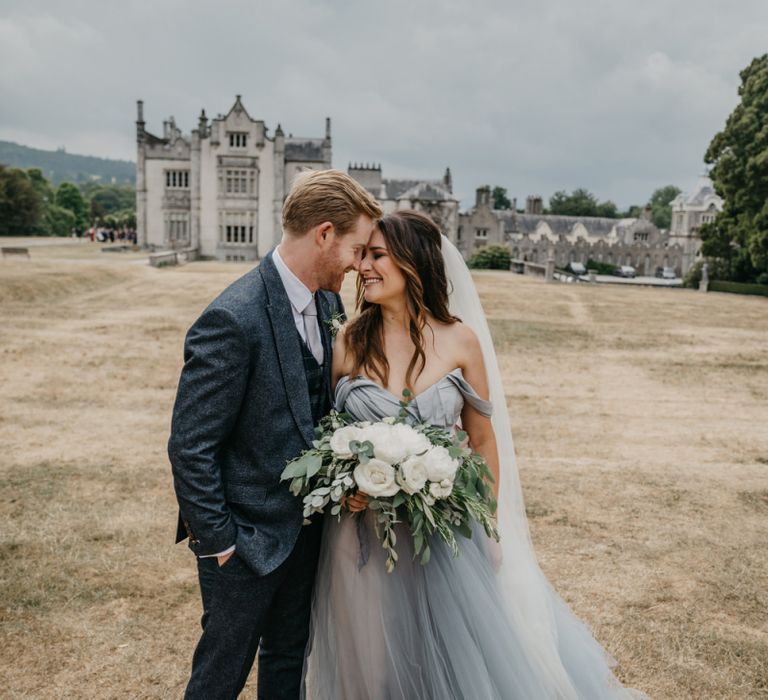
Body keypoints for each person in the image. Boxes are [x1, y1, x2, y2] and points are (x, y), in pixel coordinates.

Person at [304, 210, 644, 699]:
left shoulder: (461, 340)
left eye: (377, 256)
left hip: (442, 532)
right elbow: (330, 433)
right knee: (367, 658)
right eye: (364, 257)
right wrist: (345, 487)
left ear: (414, 264)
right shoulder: (349, 339)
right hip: (361, 534)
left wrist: (488, 525)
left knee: (445, 656)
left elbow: (482, 441)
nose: (364, 268)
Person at [168, 169, 382, 700]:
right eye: (357, 249)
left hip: (309, 535)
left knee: (289, 661)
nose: (360, 265)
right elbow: (190, 447)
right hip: (244, 542)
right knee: (220, 677)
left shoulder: (331, 306)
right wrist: (219, 543)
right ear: (325, 234)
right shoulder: (232, 318)